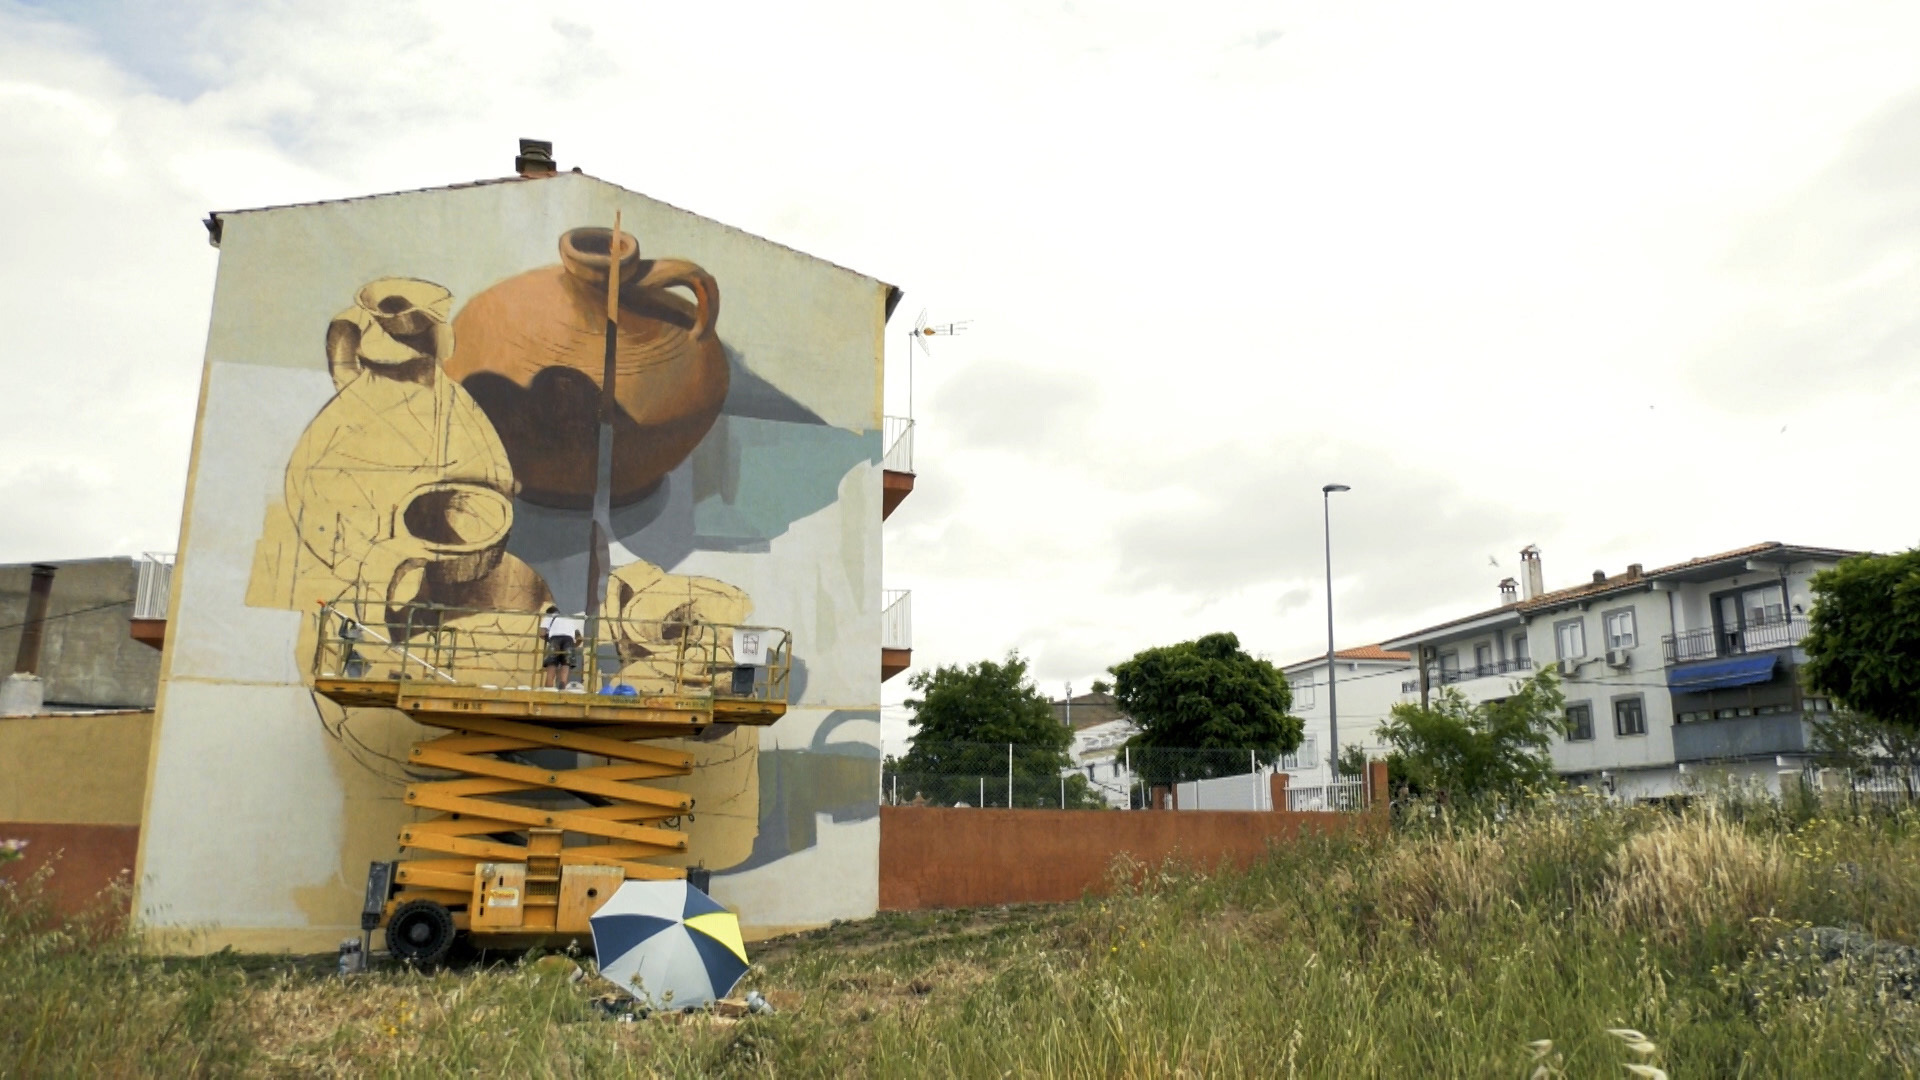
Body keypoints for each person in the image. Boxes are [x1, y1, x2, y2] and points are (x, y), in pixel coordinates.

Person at [540, 606, 584, 688]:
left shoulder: (549, 616)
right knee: (566, 663)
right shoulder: (569, 619)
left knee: (552, 664)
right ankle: (563, 684)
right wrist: (573, 646)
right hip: (569, 640)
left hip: (555, 639)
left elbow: (542, 633)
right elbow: (579, 638)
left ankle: (548, 687)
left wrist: (548, 639)